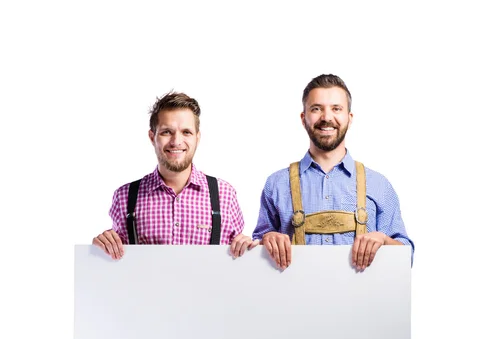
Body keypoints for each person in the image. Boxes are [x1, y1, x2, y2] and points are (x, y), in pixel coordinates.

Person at [252, 74, 414, 271]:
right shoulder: (276, 184)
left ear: (349, 118)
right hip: (296, 301)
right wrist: (266, 239)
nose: (327, 117)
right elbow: (255, 260)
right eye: (316, 109)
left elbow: (407, 257)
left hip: (362, 301)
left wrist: (384, 240)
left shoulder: (378, 184)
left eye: (336, 109)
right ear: (303, 118)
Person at [93, 92, 257, 259]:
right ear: (152, 137)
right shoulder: (125, 197)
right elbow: (116, 267)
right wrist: (102, 249)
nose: (176, 141)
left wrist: (250, 249)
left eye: (186, 132)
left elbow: (238, 264)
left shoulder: (224, 194)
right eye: (166, 132)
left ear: (197, 137)